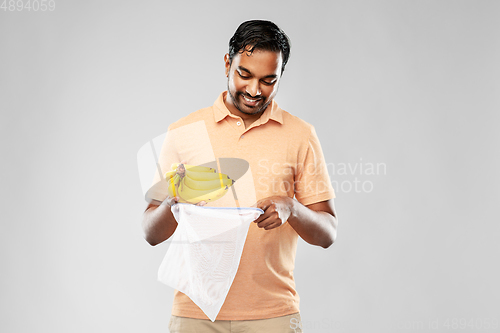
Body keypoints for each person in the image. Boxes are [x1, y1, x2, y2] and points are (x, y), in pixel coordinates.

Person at [142, 20, 338, 333]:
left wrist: (292, 207)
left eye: (268, 80)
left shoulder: (300, 135)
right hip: (195, 314)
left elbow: (328, 233)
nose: (254, 90)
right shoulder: (184, 132)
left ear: (280, 76)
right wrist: (175, 202)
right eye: (244, 74)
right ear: (227, 64)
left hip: (273, 316)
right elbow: (151, 232)